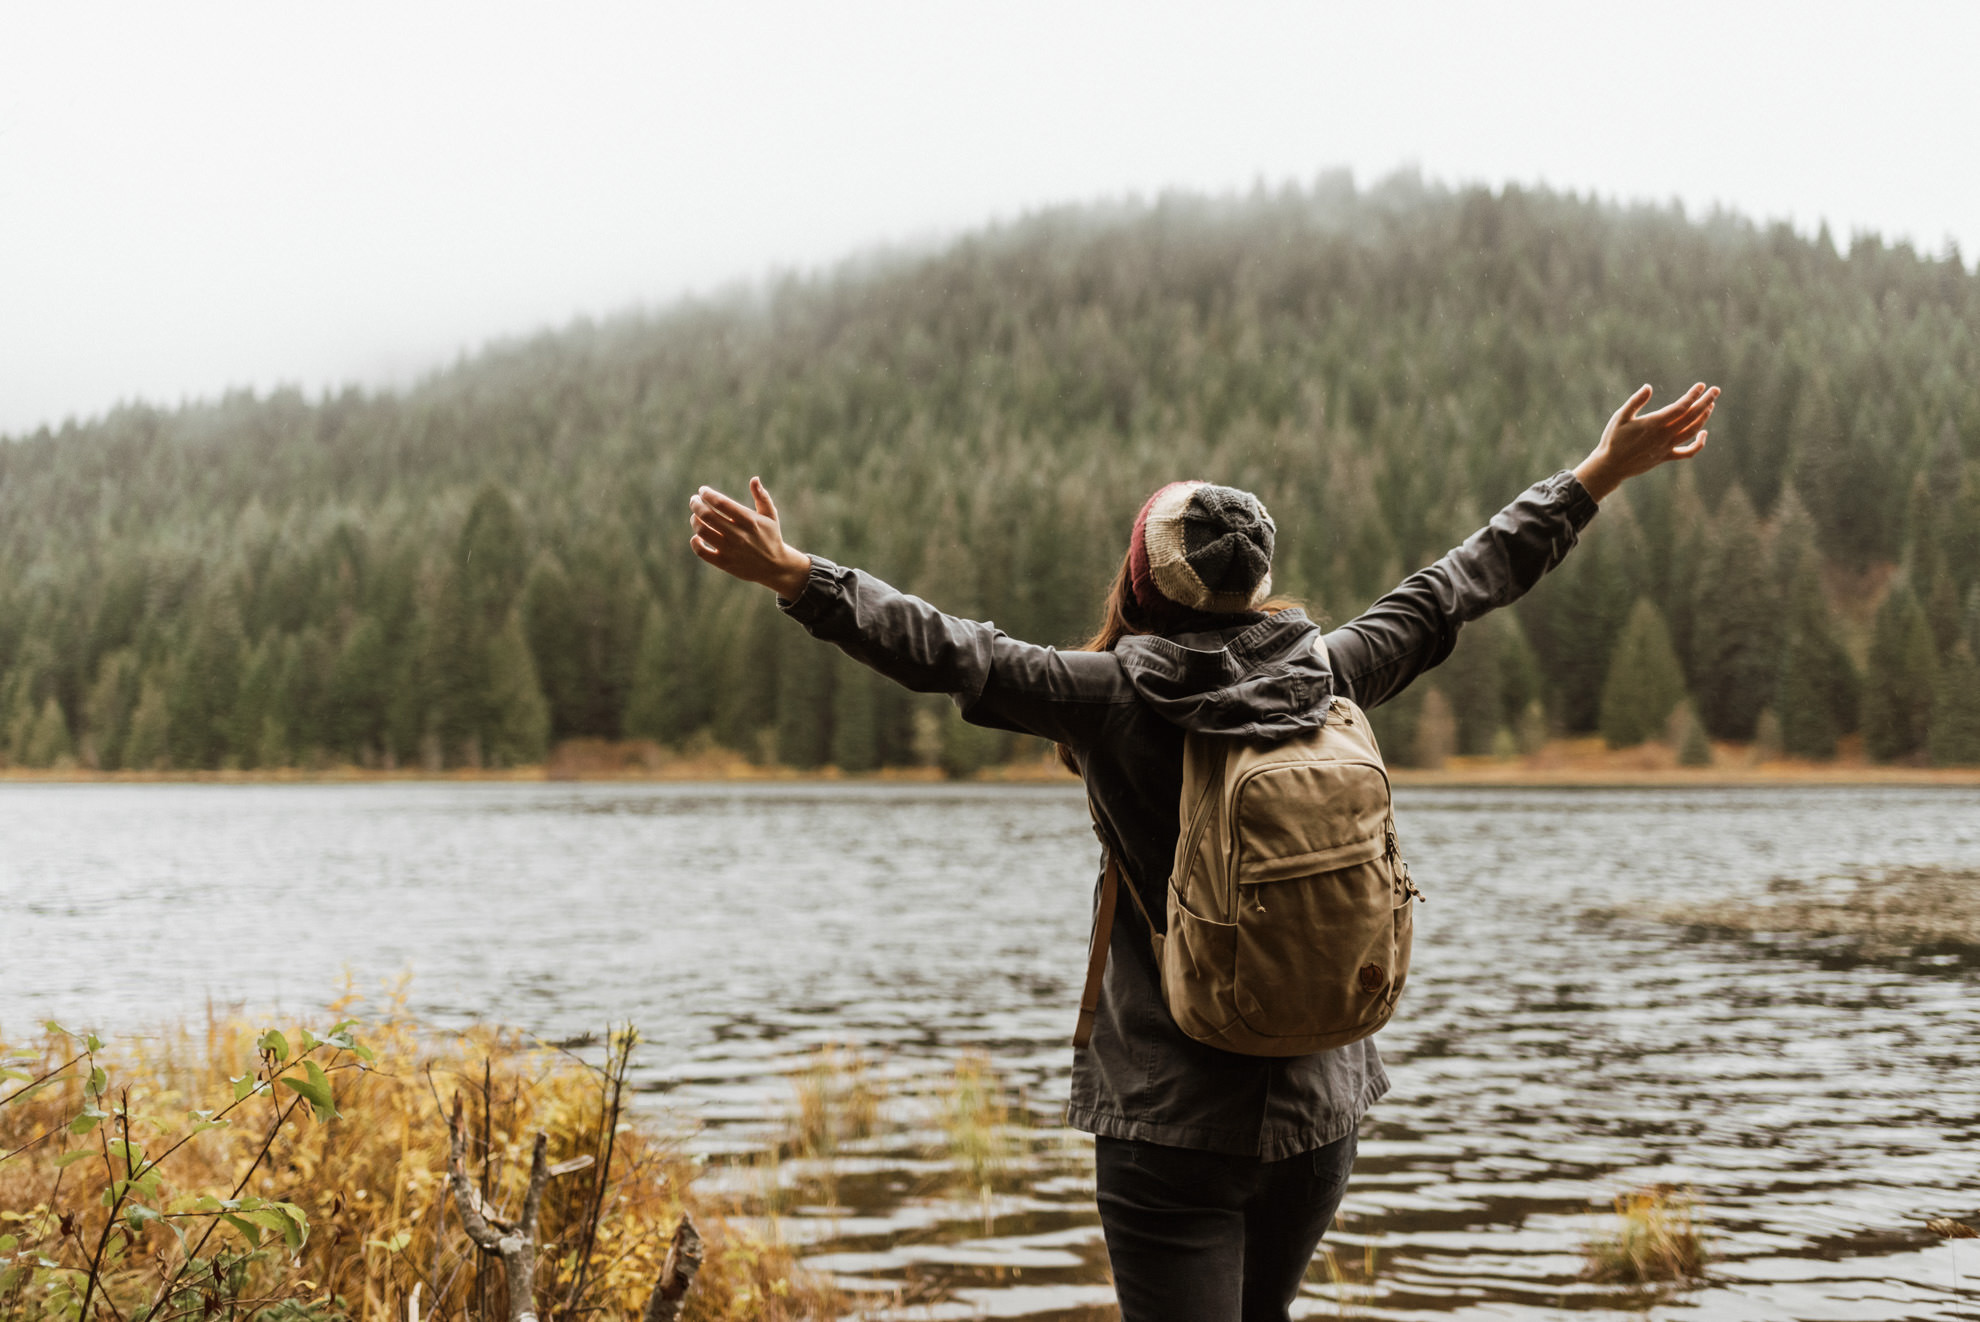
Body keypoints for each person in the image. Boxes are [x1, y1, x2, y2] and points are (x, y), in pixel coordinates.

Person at [688, 380, 1718, 1322]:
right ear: (1254, 583)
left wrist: (794, 572)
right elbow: (1457, 584)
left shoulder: (1105, 696)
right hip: (1322, 1103)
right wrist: (1597, 474)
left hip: (1168, 1117)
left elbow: (951, 649)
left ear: (1142, 580)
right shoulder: (1332, 671)